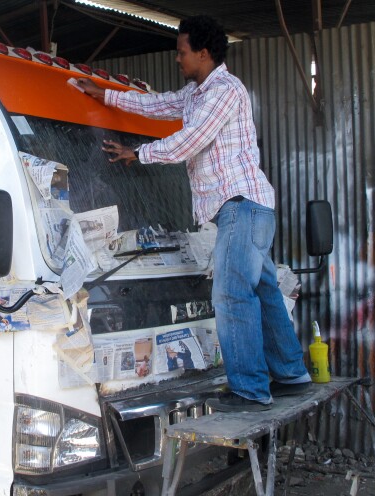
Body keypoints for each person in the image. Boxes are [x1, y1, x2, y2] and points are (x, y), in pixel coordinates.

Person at [76, 15, 311, 412]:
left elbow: (191, 139)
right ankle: (291, 373)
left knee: (231, 293)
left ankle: (251, 391)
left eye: (182, 52)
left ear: (203, 54)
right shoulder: (196, 92)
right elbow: (158, 103)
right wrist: (106, 96)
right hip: (245, 210)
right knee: (264, 289)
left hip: (241, 206)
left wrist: (140, 152)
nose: (177, 58)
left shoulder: (225, 91)